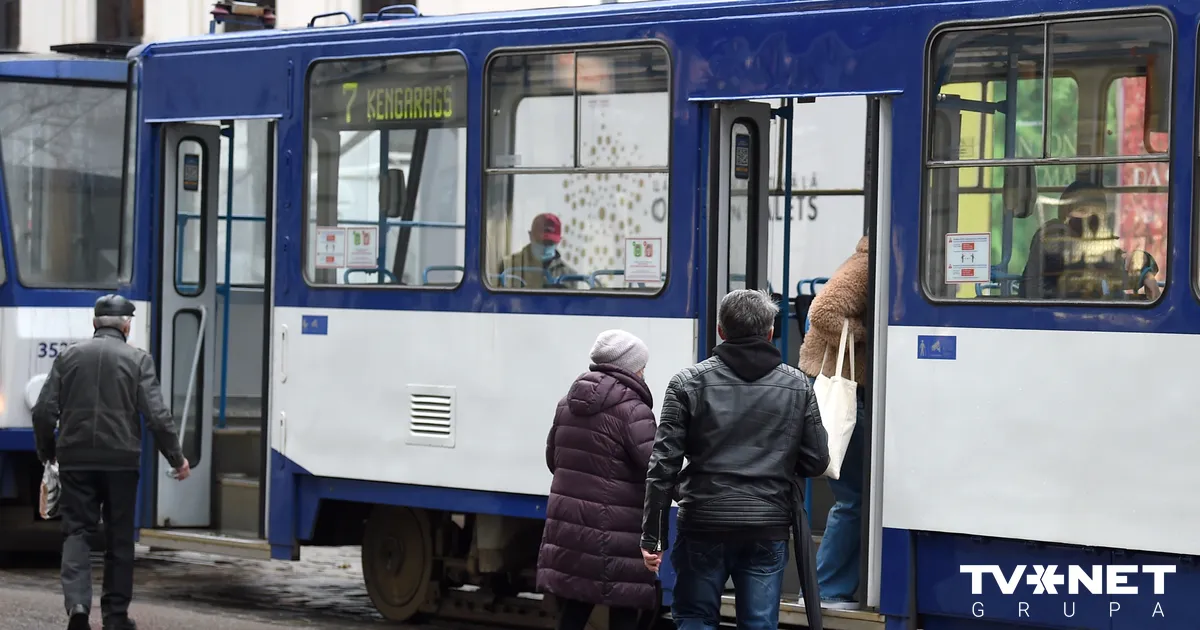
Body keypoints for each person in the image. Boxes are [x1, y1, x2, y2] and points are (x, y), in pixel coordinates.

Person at [641, 289, 831, 629]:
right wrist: (777, 463)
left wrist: (654, 538)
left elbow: (662, 466)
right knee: (759, 623)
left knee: (696, 618)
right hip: (767, 524)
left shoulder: (687, 383)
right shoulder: (799, 385)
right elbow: (816, 461)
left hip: (702, 520)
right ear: (771, 332)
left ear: (720, 331)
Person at [32, 295, 190, 630]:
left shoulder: (68, 357)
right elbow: (158, 417)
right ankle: (116, 617)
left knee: (77, 533)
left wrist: (48, 453)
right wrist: (177, 458)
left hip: (75, 460)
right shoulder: (138, 361)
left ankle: (77, 607)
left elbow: (43, 411)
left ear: (94, 323)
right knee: (119, 539)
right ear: (127, 325)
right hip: (121, 462)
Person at [537, 330, 658, 630]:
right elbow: (657, 470)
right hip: (618, 533)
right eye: (642, 366)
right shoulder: (633, 410)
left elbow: (554, 461)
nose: (644, 372)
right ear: (631, 367)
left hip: (571, 529)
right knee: (626, 609)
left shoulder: (567, 403)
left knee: (575, 608)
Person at [797, 234, 870, 609]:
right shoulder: (866, 265)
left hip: (846, 382)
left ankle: (827, 586)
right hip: (844, 384)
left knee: (854, 494)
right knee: (854, 496)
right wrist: (868, 336)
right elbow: (822, 311)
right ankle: (827, 589)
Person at [497, 212, 588, 289]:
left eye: (550, 243)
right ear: (530, 236)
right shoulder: (509, 266)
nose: (545, 246)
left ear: (559, 241)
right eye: (540, 241)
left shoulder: (569, 275)